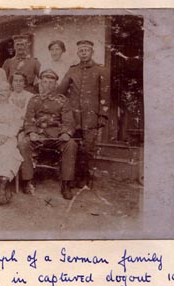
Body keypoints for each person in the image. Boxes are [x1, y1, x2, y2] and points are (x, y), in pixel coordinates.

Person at [57, 40, 110, 187]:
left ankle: (84, 177)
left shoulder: (101, 70)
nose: (84, 52)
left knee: (87, 148)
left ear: (92, 52)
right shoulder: (72, 70)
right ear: (78, 53)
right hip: (73, 117)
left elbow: (105, 95)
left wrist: (103, 115)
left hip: (91, 117)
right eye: (81, 50)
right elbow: (60, 91)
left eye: (87, 50)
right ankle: (72, 177)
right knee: (73, 147)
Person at [18, 69, 77, 200]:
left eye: (51, 82)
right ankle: (28, 180)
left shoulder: (63, 100)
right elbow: (28, 119)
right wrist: (32, 132)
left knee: (71, 145)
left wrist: (66, 133)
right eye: (45, 82)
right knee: (24, 143)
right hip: (38, 135)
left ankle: (66, 184)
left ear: (56, 84)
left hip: (57, 136)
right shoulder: (34, 100)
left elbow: (68, 121)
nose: (48, 85)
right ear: (40, 83)